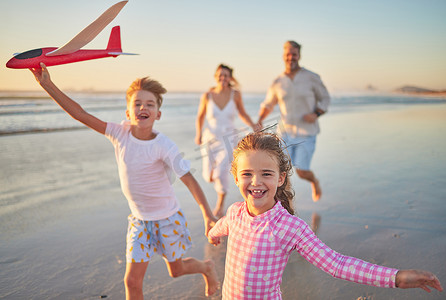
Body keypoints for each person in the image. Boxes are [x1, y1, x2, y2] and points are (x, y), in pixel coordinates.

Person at [30, 63, 220, 299]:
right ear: (128, 112)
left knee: (176, 270)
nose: (143, 107)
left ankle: (206, 267)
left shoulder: (164, 146)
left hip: (168, 219)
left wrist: (206, 213)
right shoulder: (119, 134)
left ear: (158, 114)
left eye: (150, 104)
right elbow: (81, 114)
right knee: (131, 281)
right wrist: (47, 84)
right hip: (139, 222)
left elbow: (188, 179)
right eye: (137, 103)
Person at [208, 132, 443, 299]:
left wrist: (396, 277)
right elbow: (224, 225)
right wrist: (213, 234)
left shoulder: (290, 228)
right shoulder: (235, 212)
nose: (256, 182)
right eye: (247, 174)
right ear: (236, 178)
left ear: (280, 178)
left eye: (266, 174)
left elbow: (336, 264)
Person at [258, 40, 330, 202]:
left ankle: (314, 181)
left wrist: (316, 113)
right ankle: (285, 206)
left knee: (301, 171)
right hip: (285, 133)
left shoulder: (311, 77)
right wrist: (259, 120)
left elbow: (325, 98)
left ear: (299, 55)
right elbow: (268, 103)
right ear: (284, 56)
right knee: (281, 171)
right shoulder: (278, 81)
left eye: (294, 54)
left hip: (307, 132)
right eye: (288, 54)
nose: (291, 57)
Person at [195, 64, 259, 218]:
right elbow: (200, 116)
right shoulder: (207, 95)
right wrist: (198, 134)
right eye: (220, 75)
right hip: (209, 139)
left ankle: (220, 204)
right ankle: (216, 187)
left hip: (228, 140)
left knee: (221, 172)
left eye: (226, 75)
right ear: (215, 76)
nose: (222, 78)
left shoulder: (235, 94)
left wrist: (253, 125)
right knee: (207, 176)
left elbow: (242, 113)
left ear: (230, 78)